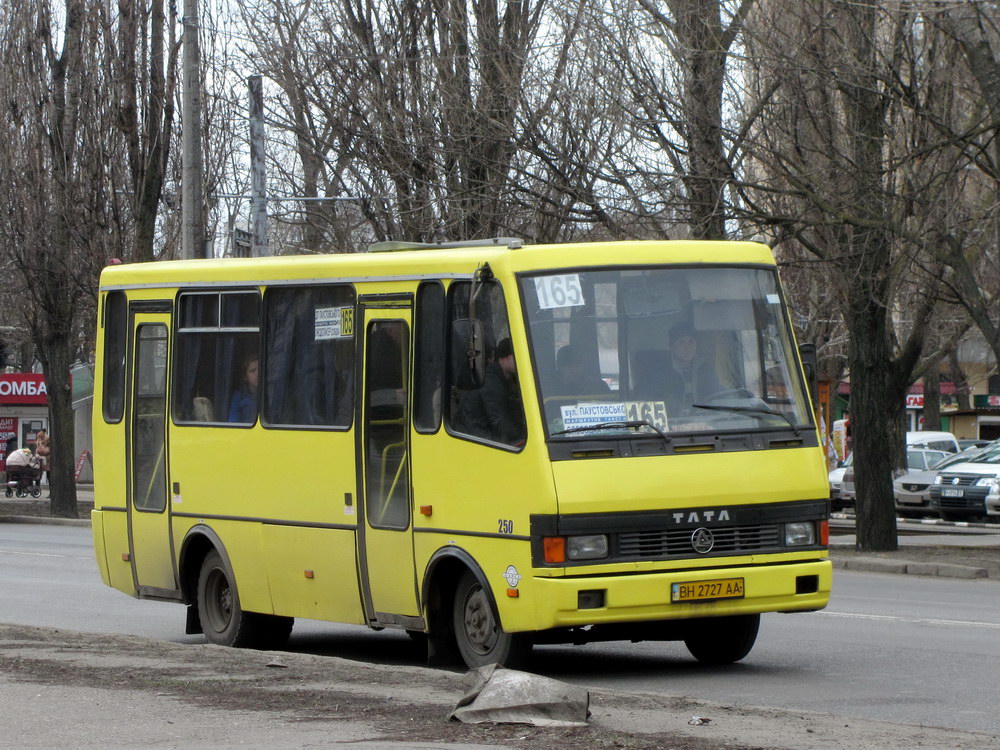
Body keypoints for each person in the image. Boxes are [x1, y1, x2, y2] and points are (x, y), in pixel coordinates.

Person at [454, 337, 525, 445]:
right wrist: (525, 434)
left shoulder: (505, 379)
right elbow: (499, 420)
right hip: (477, 437)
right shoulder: (490, 380)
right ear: (503, 359)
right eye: (516, 356)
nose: (521, 361)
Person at [664, 321, 721, 417]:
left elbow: (716, 393)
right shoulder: (660, 372)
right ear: (672, 346)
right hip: (671, 425)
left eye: (691, 342)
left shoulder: (705, 369)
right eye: (681, 342)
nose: (687, 348)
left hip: (703, 423)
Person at [228, 355, 259, 423]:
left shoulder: (270, 395)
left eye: (260, 369)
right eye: (252, 371)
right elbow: (232, 422)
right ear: (245, 377)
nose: (257, 374)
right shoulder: (238, 397)